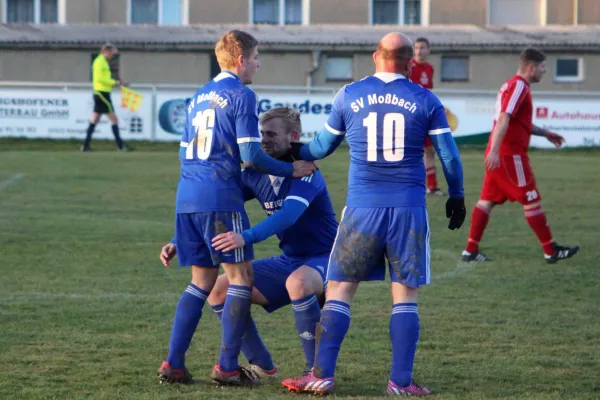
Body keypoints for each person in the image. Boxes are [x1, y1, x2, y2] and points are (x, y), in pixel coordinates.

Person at [282, 32, 466, 396]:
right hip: (407, 209)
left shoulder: (349, 94)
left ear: (374, 57)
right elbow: (448, 156)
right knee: (405, 295)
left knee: (339, 290)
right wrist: (456, 195)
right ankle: (400, 382)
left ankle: (321, 374)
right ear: (410, 62)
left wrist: (292, 151)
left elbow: (322, 147)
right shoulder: (425, 98)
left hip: (362, 208)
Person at [156, 31, 316, 386]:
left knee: (200, 283)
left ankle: (173, 363)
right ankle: (227, 367)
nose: (258, 64)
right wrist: (292, 168)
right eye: (257, 57)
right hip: (220, 195)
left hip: (186, 197)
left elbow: (185, 152)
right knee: (240, 279)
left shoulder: (197, 97)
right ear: (241, 59)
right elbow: (250, 155)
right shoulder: (242, 95)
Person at [160, 106, 338, 382]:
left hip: (327, 257)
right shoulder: (254, 173)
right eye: (261, 134)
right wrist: (177, 240)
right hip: (290, 259)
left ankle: (316, 372)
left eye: (271, 134)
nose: (263, 140)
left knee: (298, 283)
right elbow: (218, 205)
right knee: (219, 290)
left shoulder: (308, 172)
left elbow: (288, 216)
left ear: (292, 136)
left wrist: (246, 236)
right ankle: (262, 365)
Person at [460, 48, 579, 264]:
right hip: (509, 155)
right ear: (531, 67)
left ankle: (470, 250)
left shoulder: (514, 86)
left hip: (501, 153)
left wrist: (546, 134)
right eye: (542, 67)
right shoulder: (519, 86)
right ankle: (550, 250)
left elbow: (516, 121)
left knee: (487, 201)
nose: (544, 71)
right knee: (531, 199)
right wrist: (496, 151)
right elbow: (504, 118)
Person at [82, 43, 132, 152]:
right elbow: (102, 79)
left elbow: (104, 78)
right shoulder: (100, 62)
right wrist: (118, 83)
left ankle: (85, 145)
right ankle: (120, 146)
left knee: (95, 119)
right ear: (106, 51)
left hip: (102, 93)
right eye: (112, 53)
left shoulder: (102, 62)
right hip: (102, 93)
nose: (112, 56)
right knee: (114, 119)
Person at [409, 37, 442, 195]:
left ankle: (432, 186)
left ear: (428, 50)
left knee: (429, 150)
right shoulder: (409, 67)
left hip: (426, 115)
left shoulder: (429, 68)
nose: (419, 51)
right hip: (411, 116)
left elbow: (428, 92)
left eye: (422, 48)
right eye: (416, 48)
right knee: (409, 151)